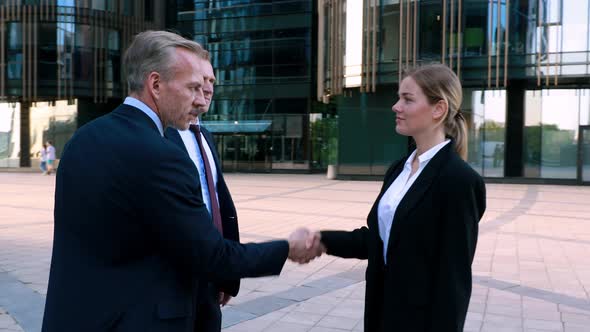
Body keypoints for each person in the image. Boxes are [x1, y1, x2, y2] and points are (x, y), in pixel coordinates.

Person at [42, 30, 321, 332]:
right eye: (191, 88)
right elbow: (212, 255)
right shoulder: (160, 154)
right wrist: (287, 248)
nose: (200, 101)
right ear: (156, 84)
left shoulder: (83, 138)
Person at [315, 64, 486, 332]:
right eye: (398, 97)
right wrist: (321, 239)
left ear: (438, 109)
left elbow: (453, 281)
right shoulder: (399, 169)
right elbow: (379, 240)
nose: (396, 106)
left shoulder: (459, 181)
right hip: (381, 316)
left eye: (407, 99)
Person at [164, 58, 236, 332]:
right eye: (199, 80)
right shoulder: (157, 134)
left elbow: (218, 200)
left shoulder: (205, 135)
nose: (207, 88)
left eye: (211, 81)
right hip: (174, 276)